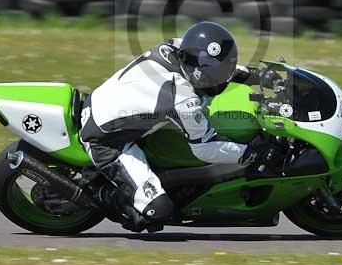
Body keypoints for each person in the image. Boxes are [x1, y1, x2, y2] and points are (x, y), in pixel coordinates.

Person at [78, 21, 284, 232]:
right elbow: (203, 147)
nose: (221, 76)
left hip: (111, 107)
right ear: (197, 69)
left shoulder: (176, 48)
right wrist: (250, 154)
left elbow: (213, 61)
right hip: (106, 142)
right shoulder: (182, 98)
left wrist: (258, 75)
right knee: (158, 211)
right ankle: (98, 193)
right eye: (216, 71)